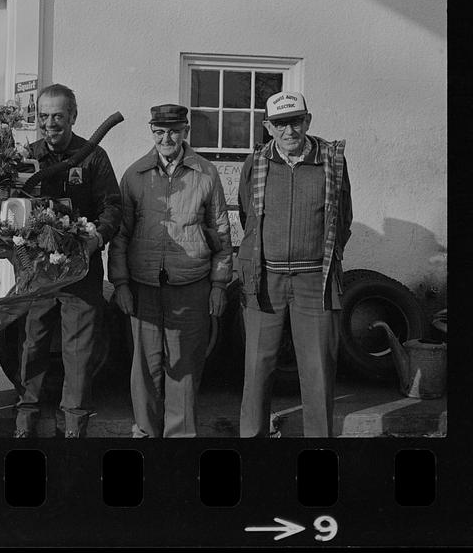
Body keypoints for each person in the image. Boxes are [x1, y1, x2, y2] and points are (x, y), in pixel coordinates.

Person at [108, 104, 233, 438]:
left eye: (174, 131)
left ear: (185, 132)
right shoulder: (135, 175)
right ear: (152, 132)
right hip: (143, 284)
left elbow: (221, 232)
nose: (167, 138)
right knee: (146, 366)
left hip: (191, 282)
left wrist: (220, 284)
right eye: (160, 132)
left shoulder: (206, 174)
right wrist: (119, 282)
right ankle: (147, 434)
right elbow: (120, 235)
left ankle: (181, 439)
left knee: (186, 367)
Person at [237, 91, 352, 437]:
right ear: (268, 127)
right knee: (257, 369)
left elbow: (343, 219)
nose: (290, 131)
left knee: (317, 371)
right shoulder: (255, 163)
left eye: (296, 121)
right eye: (281, 123)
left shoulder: (331, 160)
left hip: (314, 280)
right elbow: (248, 217)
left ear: (308, 121)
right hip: (265, 279)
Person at [13, 84, 122, 438]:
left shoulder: (93, 156)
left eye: (58, 116)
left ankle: (74, 424)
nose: (50, 123)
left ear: (73, 116)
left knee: (79, 351)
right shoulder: (27, 158)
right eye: (43, 116)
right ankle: (25, 421)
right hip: (37, 271)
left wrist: (96, 239)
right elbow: (10, 207)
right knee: (32, 343)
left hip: (80, 269)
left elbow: (112, 207)